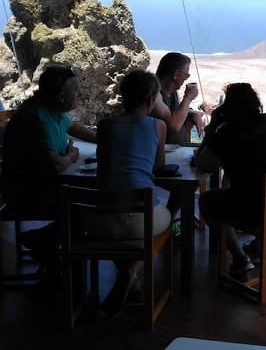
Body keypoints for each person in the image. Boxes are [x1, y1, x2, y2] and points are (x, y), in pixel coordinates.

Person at [197, 83, 266, 275]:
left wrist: (213, 126)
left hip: (259, 210)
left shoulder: (226, 135)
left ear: (227, 109)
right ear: (256, 103)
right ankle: (256, 247)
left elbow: (203, 164)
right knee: (262, 198)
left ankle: (240, 259)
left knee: (207, 201)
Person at [1, 63, 97, 273]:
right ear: (61, 96)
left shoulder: (49, 108)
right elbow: (57, 165)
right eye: (75, 91)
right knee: (89, 205)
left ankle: (49, 248)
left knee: (88, 201)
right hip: (28, 194)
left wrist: (106, 139)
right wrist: (71, 155)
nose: (79, 94)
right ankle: (52, 249)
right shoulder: (36, 118)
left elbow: (73, 127)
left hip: (45, 185)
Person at [94, 69, 172, 313]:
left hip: (102, 224)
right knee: (169, 218)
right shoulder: (158, 126)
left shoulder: (105, 126)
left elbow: (104, 166)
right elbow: (158, 166)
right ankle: (132, 271)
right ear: (151, 100)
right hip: (142, 218)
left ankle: (127, 275)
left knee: (118, 225)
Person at [150, 52, 203, 144]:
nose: (185, 79)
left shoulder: (172, 92)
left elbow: (175, 113)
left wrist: (192, 113)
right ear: (176, 75)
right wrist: (188, 97)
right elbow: (174, 125)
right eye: (186, 75)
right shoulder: (154, 93)